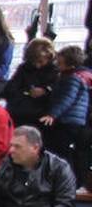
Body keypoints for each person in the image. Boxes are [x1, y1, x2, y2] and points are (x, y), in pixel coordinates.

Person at [41, 45, 90, 182]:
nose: (57, 64)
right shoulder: (75, 76)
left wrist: (52, 114)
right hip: (74, 120)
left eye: (60, 62)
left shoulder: (72, 79)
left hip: (68, 121)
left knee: (61, 150)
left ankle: (66, 180)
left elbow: (66, 99)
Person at [1, 37, 58, 128]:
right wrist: (26, 93)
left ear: (49, 57)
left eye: (40, 61)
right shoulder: (24, 68)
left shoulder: (56, 71)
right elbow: (11, 88)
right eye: (34, 61)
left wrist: (45, 90)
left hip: (42, 113)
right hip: (21, 110)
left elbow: (58, 90)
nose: (37, 65)